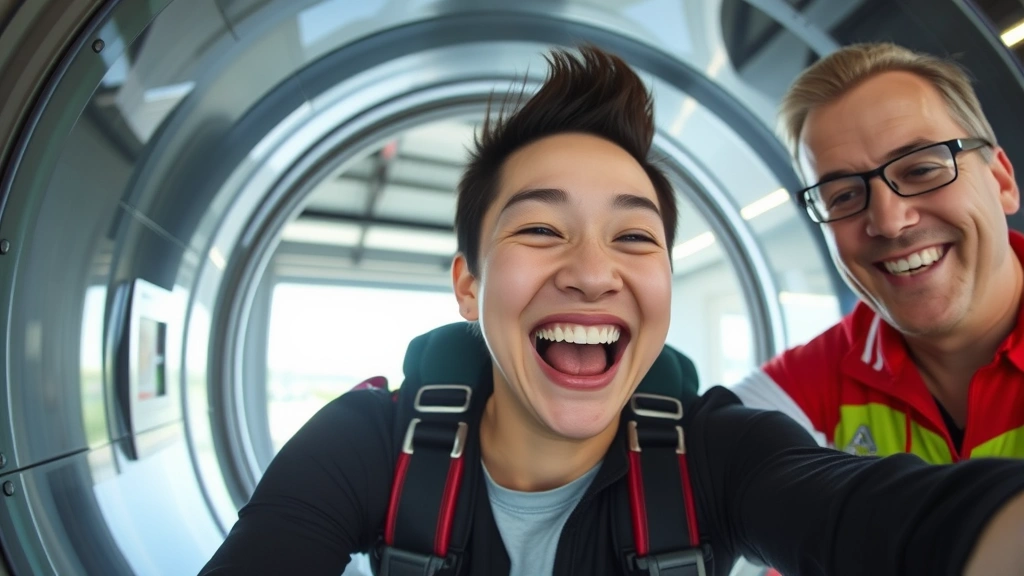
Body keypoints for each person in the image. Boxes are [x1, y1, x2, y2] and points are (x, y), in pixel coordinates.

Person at [199, 45, 1024, 576]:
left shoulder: (718, 450)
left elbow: (876, 517)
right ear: (469, 285)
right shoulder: (369, 443)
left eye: (634, 235)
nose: (593, 272)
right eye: (539, 228)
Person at [732, 42, 1023, 464]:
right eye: (845, 195)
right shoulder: (807, 383)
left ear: (1001, 181)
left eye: (921, 170)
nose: (888, 221)